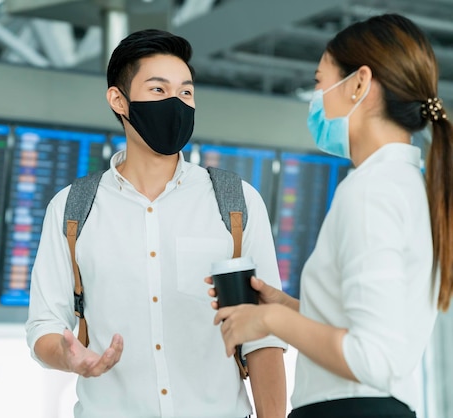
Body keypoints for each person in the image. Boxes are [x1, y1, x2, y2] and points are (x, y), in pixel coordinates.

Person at [26, 29, 287, 417]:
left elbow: (262, 335)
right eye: (158, 90)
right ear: (119, 99)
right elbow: (44, 325)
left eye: (186, 92)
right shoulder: (72, 209)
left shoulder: (235, 201)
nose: (176, 103)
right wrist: (69, 358)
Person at [209, 13, 453, 418]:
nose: (315, 97)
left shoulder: (372, 190)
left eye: (320, 83)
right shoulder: (408, 184)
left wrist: (268, 320)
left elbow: (371, 357)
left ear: (359, 84)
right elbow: (369, 328)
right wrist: (287, 307)